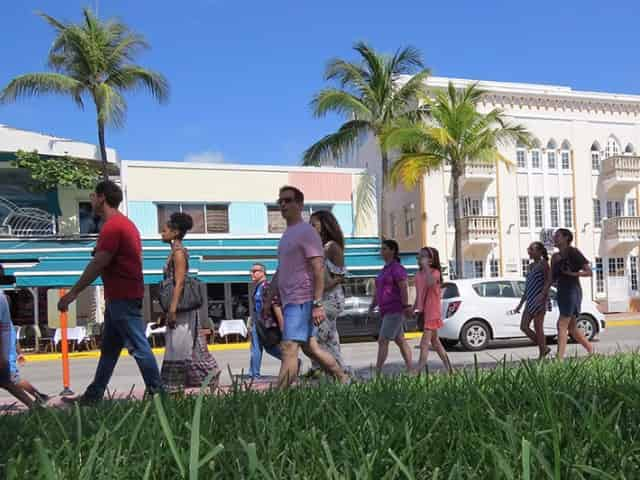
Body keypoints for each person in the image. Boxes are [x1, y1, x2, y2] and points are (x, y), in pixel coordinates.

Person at [58, 181, 163, 404]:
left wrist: (73, 293)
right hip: (122, 294)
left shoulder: (113, 226)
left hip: (122, 296)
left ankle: (159, 395)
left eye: (93, 196)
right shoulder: (125, 225)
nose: (91, 200)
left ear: (102, 198)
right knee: (109, 350)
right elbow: (123, 257)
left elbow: (99, 263)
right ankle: (93, 395)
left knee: (138, 346)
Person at [274, 185, 349, 387]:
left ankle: (277, 399)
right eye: (280, 201)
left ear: (300, 204)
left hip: (303, 300)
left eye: (288, 200)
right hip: (290, 300)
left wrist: (317, 303)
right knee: (311, 348)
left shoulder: (307, 233)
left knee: (289, 347)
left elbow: (317, 269)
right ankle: (343, 379)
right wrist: (270, 296)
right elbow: (282, 269)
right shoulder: (288, 234)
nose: (282, 204)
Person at [159, 212, 220, 393]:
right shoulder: (174, 252)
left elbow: (179, 283)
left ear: (176, 232)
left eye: (166, 229)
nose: (162, 233)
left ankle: (176, 389)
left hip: (181, 311)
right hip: (178, 309)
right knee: (186, 349)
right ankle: (196, 381)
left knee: (179, 349)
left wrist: (172, 310)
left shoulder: (179, 253)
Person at [305, 210, 347, 378]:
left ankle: (335, 373)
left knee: (317, 339)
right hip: (320, 299)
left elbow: (340, 276)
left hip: (330, 299)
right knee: (328, 340)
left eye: (313, 224)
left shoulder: (331, 247)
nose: (310, 227)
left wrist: (322, 287)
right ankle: (334, 373)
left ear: (324, 225)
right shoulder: (317, 247)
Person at [0, 268, 49, 408]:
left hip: (3, 353)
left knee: (10, 381)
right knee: (8, 382)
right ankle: (36, 404)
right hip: (5, 352)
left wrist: (6, 355)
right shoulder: (3, 298)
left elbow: (4, 332)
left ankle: (37, 401)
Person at [548, 228, 594, 360]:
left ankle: (559, 359)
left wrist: (573, 274)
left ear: (566, 238)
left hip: (572, 291)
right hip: (561, 291)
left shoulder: (573, 252)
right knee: (572, 327)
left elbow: (589, 272)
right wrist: (545, 292)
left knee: (561, 324)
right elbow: (551, 278)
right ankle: (591, 350)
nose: (554, 238)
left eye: (557, 236)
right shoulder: (555, 257)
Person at [370, 240, 413, 373]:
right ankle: (411, 370)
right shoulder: (384, 270)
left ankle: (377, 373)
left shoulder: (397, 268)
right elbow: (378, 290)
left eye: (384, 249)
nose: (381, 252)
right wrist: (373, 305)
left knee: (383, 340)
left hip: (395, 309)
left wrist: (406, 306)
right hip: (386, 310)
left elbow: (404, 288)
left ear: (392, 250)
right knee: (400, 340)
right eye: (381, 249)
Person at [412, 247, 453, 374]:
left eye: (422, 256)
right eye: (419, 256)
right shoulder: (418, 274)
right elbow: (420, 292)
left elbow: (430, 283)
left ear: (430, 260)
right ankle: (450, 370)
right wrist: (414, 308)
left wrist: (426, 268)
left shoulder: (435, 273)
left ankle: (417, 371)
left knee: (424, 344)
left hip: (432, 312)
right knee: (435, 342)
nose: (419, 258)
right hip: (424, 311)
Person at [512, 242, 552, 359]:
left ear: (539, 251)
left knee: (538, 328)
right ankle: (543, 347)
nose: (529, 251)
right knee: (524, 326)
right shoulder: (530, 266)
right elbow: (528, 286)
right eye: (528, 249)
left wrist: (543, 296)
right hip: (530, 300)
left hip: (540, 300)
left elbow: (548, 282)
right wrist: (520, 304)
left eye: (531, 249)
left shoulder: (544, 265)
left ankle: (542, 353)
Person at [248, 263, 282, 379]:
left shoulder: (266, 286)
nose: (252, 273)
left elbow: (275, 305)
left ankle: (292, 361)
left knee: (269, 348)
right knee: (256, 347)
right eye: (251, 271)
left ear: (263, 273)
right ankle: (253, 374)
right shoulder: (258, 287)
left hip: (266, 324)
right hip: (258, 322)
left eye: (255, 271)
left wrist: (281, 325)